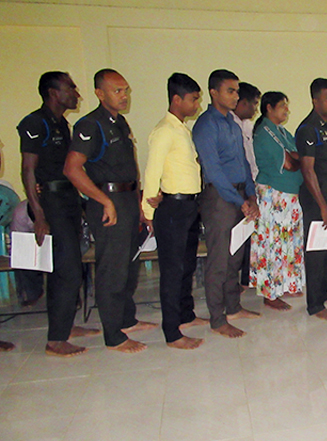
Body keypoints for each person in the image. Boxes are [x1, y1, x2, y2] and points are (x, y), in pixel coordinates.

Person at [64, 69, 157, 354]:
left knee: (128, 266)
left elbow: (128, 166)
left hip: (127, 199)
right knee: (112, 270)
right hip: (108, 202)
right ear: (99, 93)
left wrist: (139, 205)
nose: (124, 96)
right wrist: (104, 201)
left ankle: (126, 320)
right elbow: (72, 169)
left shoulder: (119, 122)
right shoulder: (90, 124)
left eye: (126, 90)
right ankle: (113, 336)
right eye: (117, 91)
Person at [17, 71, 100, 357]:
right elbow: (28, 170)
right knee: (67, 268)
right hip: (51, 203)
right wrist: (39, 215)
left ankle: (64, 326)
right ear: (53, 93)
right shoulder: (35, 123)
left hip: (68, 199)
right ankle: (55, 340)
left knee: (64, 267)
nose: (76, 93)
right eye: (70, 88)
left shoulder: (62, 124)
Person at [141, 73, 208, 350]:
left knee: (187, 265)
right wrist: (147, 213)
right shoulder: (164, 131)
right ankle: (172, 332)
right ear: (177, 99)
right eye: (194, 99)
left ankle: (185, 314)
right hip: (172, 207)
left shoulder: (181, 129)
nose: (197, 105)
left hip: (189, 206)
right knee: (172, 270)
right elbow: (152, 172)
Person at [192, 69, 260, 339]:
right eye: (230, 91)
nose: (235, 96)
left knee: (236, 257)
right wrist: (239, 200)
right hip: (220, 199)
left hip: (240, 195)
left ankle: (233, 307)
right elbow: (214, 170)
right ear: (214, 92)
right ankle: (217, 319)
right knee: (219, 260)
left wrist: (251, 196)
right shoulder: (206, 125)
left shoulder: (233, 123)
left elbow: (243, 163)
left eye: (237, 91)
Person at [250, 91, 305, 311]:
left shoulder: (281, 131)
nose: (287, 110)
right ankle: (269, 294)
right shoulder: (265, 132)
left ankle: (286, 284)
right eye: (282, 106)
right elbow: (290, 163)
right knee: (272, 244)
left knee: (288, 243)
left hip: (289, 195)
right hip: (274, 195)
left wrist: (295, 157)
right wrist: (295, 158)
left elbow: (299, 155)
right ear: (269, 108)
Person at [296, 78, 327, 321]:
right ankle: (315, 305)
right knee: (316, 254)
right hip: (317, 203)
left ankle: (323, 293)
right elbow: (308, 171)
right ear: (315, 101)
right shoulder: (308, 129)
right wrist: (324, 207)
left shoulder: (325, 128)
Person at [232, 82, 261, 289]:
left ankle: (247, 279)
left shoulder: (249, 127)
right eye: (254, 104)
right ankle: (234, 283)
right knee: (237, 234)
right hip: (235, 187)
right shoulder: (229, 125)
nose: (255, 109)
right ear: (242, 103)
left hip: (252, 184)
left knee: (251, 232)